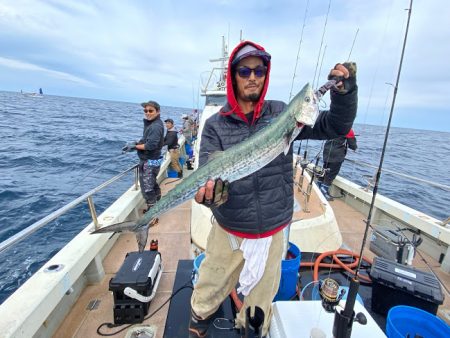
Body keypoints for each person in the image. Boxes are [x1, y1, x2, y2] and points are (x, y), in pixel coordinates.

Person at [188, 40, 358, 337]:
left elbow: (335, 127)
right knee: (208, 289)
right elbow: (209, 176)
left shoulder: (282, 112)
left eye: (259, 69)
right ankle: (198, 324)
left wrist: (344, 94)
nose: (252, 76)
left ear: (266, 74)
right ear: (233, 75)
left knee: (259, 304)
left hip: (272, 230)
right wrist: (212, 196)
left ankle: (249, 328)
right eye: (244, 70)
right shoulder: (215, 125)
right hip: (229, 229)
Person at [122, 100, 164, 210]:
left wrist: (135, 147)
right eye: (145, 110)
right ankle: (159, 204)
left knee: (147, 189)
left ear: (158, 111)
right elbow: (145, 140)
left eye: (151, 110)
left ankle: (153, 214)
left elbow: (150, 145)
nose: (148, 113)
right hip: (153, 160)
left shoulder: (155, 126)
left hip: (149, 162)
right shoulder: (152, 124)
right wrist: (136, 143)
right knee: (152, 183)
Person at [318, 129, 358, 200]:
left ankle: (318, 189)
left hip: (326, 152)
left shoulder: (332, 124)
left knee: (324, 171)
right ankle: (323, 193)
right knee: (331, 174)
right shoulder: (348, 128)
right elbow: (352, 145)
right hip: (336, 155)